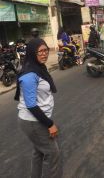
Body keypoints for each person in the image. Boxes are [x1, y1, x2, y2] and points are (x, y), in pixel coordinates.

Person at [15, 38, 61, 178]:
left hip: (36, 120)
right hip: (33, 121)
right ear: (32, 53)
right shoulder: (30, 74)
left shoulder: (39, 68)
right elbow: (31, 105)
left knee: (39, 152)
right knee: (52, 153)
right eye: (40, 51)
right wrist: (50, 124)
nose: (44, 54)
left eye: (46, 50)